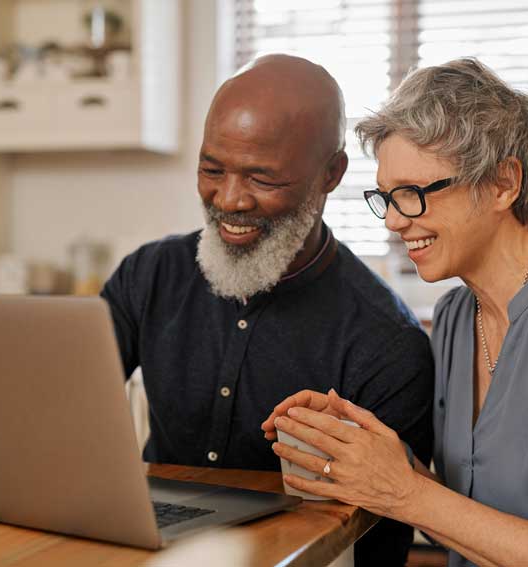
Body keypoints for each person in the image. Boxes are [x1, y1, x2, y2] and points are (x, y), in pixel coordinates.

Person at [264, 58, 528, 567]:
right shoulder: (454, 318)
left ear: (503, 183)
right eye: (387, 197)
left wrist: (404, 492)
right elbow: (470, 522)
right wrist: (366, 461)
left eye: (413, 194)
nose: (396, 221)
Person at [101, 54, 435, 565]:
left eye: (263, 179)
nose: (230, 200)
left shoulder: (385, 340)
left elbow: (378, 544)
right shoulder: (148, 275)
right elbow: (56, 414)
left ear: (331, 174)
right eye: (212, 169)